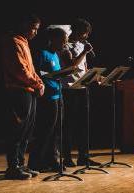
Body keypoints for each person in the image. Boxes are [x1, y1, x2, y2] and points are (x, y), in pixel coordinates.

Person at [1, 14, 44, 179]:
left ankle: (21, 164)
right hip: (18, 90)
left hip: (29, 90)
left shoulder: (24, 42)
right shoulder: (12, 41)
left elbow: (31, 70)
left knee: (27, 131)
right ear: (24, 25)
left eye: (37, 29)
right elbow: (20, 70)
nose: (35, 32)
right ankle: (13, 167)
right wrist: (37, 83)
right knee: (17, 131)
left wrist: (39, 82)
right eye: (34, 28)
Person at [60, 18, 101, 167]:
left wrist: (95, 76)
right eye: (84, 33)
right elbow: (71, 65)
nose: (86, 36)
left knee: (84, 124)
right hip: (69, 88)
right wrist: (84, 51)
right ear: (76, 31)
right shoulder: (65, 45)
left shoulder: (82, 45)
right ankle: (67, 158)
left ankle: (83, 156)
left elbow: (84, 67)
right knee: (68, 125)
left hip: (83, 87)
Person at [28, 27, 68, 172]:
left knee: (57, 132)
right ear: (53, 40)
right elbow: (37, 73)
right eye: (63, 41)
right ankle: (35, 162)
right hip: (47, 98)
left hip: (58, 96)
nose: (65, 44)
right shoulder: (42, 53)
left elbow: (55, 73)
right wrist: (51, 75)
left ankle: (52, 160)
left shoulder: (56, 54)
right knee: (45, 131)